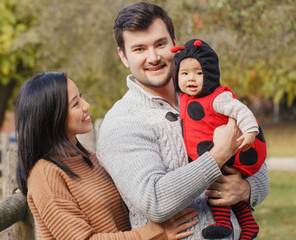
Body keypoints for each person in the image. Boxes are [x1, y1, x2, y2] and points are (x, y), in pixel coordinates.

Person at [97, 2, 270, 240]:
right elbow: (154, 200)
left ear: (175, 43)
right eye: (139, 49)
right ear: (123, 56)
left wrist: (248, 189)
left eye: (160, 44)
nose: (154, 57)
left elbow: (257, 161)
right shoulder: (122, 123)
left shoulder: (209, 95)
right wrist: (218, 155)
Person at [14, 72, 199, 240]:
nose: (86, 106)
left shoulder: (91, 159)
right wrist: (156, 232)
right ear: (52, 117)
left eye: (81, 97)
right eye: (75, 104)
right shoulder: (45, 174)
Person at [172, 39, 266, 240]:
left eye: (199, 73)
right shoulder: (182, 98)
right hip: (211, 154)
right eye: (185, 73)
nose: (191, 79)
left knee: (216, 185)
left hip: (230, 153)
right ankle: (248, 226)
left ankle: (223, 224)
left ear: (210, 74)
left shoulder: (217, 98)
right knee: (222, 185)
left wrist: (250, 131)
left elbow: (241, 110)